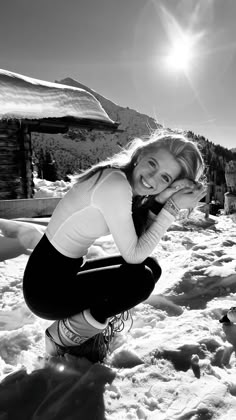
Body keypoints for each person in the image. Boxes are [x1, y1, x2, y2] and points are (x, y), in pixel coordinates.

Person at [19, 130, 206, 362]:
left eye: (166, 178)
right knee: (141, 280)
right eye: (152, 164)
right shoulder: (116, 185)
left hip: (58, 273)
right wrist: (171, 208)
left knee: (151, 267)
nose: (153, 178)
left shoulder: (120, 180)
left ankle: (88, 328)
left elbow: (139, 240)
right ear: (141, 154)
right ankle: (63, 337)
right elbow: (133, 254)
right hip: (46, 290)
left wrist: (163, 198)